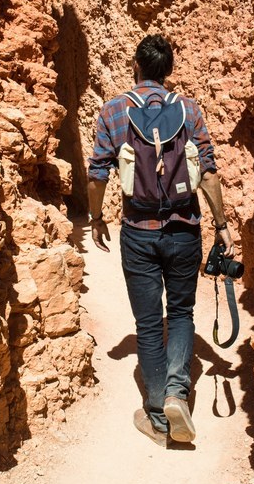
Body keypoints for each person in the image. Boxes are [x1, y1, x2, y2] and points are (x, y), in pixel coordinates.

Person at [86, 34, 237, 447]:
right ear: (168, 70)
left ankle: (157, 416)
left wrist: (96, 217)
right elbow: (207, 171)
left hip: (138, 232)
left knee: (150, 326)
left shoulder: (115, 110)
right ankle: (176, 393)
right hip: (185, 229)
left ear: (136, 65)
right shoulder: (188, 109)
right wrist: (221, 223)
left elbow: (97, 171)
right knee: (183, 313)